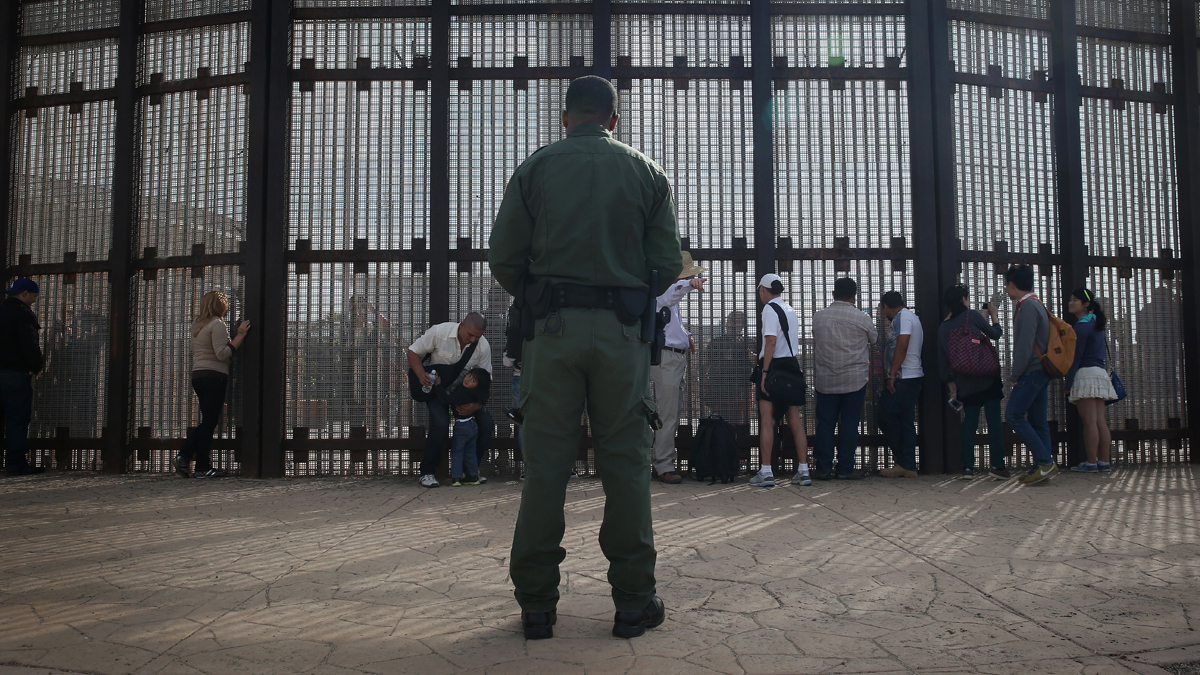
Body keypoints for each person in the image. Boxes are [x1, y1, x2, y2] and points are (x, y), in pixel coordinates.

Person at [489, 75, 682, 640]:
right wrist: (626, 287)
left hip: (551, 332)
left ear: (566, 117)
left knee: (545, 467)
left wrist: (543, 291)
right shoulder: (646, 172)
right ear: (613, 120)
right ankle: (632, 603)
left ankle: (537, 607)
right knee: (626, 467)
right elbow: (666, 262)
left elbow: (505, 257)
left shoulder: (537, 168)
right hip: (623, 337)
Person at [406, 312, 494, 488]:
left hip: (464, 392)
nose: (473, 339)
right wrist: (420, 374)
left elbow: (485, 380)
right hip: (437, 388)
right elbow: (413, 351)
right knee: (441, 422)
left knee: (486, 424)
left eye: (478, 336)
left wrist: (477, 404)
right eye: (470, 334)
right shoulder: (440, 332)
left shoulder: (482, 346)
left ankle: (470, 471)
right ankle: (427, 472)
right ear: (461, 325)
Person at [174, 290, 250, 479]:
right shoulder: (217, 324)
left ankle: (186, 458)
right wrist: (240, 335)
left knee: (208, 421)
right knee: (209, 422)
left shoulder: (198, 326)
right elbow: (222, 354)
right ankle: (200, 466)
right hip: (214, 376)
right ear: (220, 306)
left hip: (198, 375)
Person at [937, 284, 1007, 479]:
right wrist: (993, 314)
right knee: (994, 422)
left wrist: (952, 388)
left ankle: (968, 467)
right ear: (963, 300)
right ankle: (998, 467)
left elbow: (943, 362)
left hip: (965, 382)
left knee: (970, 423)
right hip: (988, 377)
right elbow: (995, 334)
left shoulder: (944, 327)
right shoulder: (973, 316)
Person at [810, 278, 877, 480]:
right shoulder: (862, 318)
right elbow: (873, 339)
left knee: (825, 424)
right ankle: (845, 468)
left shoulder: (819, 317)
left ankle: (823, 468)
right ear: (854, 295)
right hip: (854, 380)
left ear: (833, 293)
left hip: (826, 380)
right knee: (849, 423)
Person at [749, 274, 810, 488]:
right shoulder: (790, 309)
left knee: (767, 419)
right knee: (795, 419)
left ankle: (766, 471)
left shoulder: (768, 309)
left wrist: (764, 372)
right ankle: (803, 470)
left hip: (774, 367)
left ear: (764, 290)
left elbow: (771, 341)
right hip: (792, 367)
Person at [650, 251, 706, 484]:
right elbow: (669, 296)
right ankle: (663, 465)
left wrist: (686, 336)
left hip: (668, 357)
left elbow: (670, 321)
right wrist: (689, 284)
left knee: (665, 412)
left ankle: (658, 462)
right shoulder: (664, 291)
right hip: (666, 359)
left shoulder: (663, 294)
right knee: (667, 414)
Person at [1001, 265, 1057, 485]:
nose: (1006, 290)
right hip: (1041, 370)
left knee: (1014, 415)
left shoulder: (1027, 307)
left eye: (1007, 285)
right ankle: (1042, 467)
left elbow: (1024, 345)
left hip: (1031, 371)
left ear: (1012, 285)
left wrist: (1015, 374)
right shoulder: (1037, 304)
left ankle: (1044, 462)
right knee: (1037, 420)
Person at [1065, 288, 1116, 473]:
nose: (1071, 303)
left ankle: (1091, 463)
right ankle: (1104, 461)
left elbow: (1075, 358)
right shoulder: (1096, 323)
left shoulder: (1081, 327)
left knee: (1090, 422)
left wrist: (1068, 383)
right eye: (1071, 299)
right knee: (1100, 421)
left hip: (1085, 375)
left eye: (1075, 300)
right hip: (1100, 374)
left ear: (1086, 305)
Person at [0, 278, 45, 476]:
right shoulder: (23, 314)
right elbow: (30, 344)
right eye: (34, 296)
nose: (34, 300)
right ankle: (15, 463)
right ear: (25, 293)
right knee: (17, 419)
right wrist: (35, 366)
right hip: (15, 374)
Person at [877, 291, 924, 478]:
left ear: (886, 307)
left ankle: (905, 460)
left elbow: (902, 344)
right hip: (908, 376)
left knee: (886, 416)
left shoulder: (903, 317)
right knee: (905, 420)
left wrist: (892, 374)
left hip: (904, 377)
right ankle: (907, 464)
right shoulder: (909, 316)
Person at [436, 367, 492, 486]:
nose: (468, 379)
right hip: (472, 424)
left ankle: (456, 477)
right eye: (469, 375)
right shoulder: (475, 394)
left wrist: (438, 386)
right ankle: (473, 476)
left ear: (478, 385)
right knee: (470, 452)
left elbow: (446, 399)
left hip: (462, 426)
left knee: (457, 451)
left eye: (473, 380)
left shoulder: (462, 393)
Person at [701, 310, 756, 424]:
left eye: (735, 321)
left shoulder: (749, 342)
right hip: (719, 389)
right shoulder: (716, 342)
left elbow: (757, 362)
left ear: (743, 325)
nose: (731, 323)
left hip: (741, 390)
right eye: (729, 320)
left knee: (741, 424)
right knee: (719, 423)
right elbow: (705, 363)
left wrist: (746, 350)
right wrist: (704, 381)